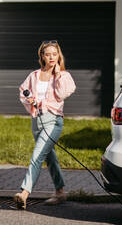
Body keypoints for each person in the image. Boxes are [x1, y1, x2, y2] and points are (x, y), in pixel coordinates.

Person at [14, 40, 76, 210]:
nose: (51, 57)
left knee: (37, 156)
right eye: (48, 54)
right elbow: (23, 91)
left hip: (53, 121)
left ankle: (24, 193)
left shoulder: (64, 76)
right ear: (42, 55)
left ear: (59, 56)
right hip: (36, 120)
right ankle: (61, 192)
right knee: (50, 157)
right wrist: (30, 99)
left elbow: (63, 93)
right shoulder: (34, 75)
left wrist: (58, 73)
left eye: (54, 54)